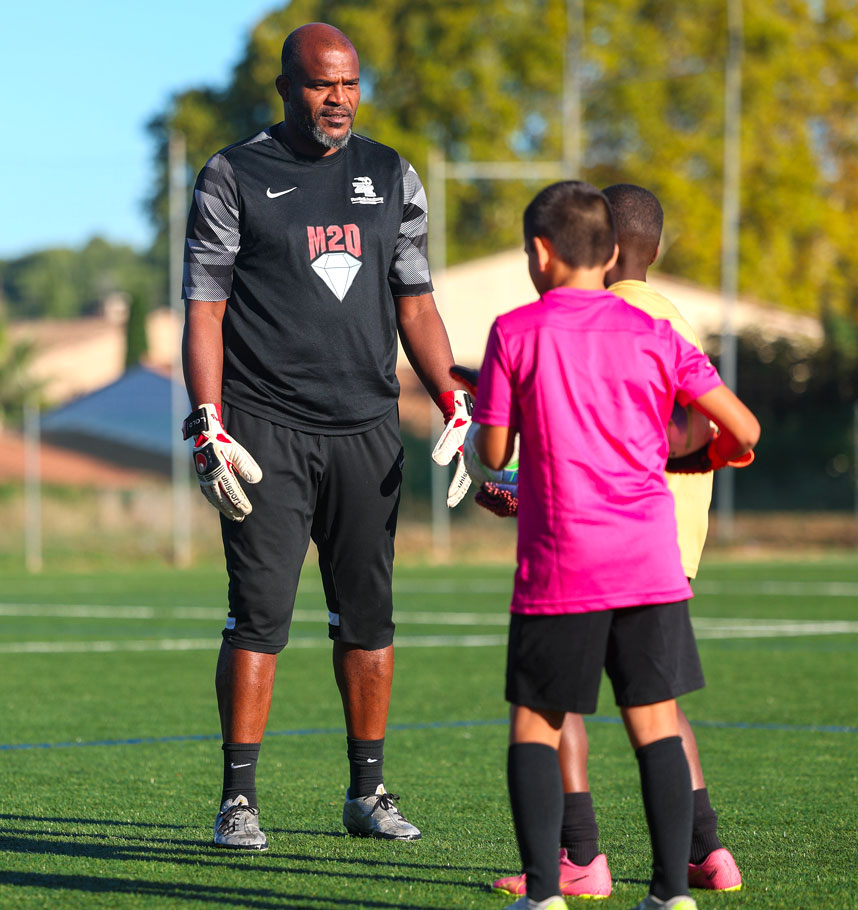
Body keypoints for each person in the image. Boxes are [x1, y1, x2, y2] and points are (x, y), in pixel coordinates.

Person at [181, 22, 470, 850]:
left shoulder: (392, 174)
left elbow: (414, 303)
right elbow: (204, 308)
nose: (338, 100)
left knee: (369, 619)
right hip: (265, 429)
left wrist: (452, 397)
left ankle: (368, 793)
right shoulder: (233, 174)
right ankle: (239, 801)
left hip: (369, 430)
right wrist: (208, 419)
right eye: (320, 84)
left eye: (348, 84)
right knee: (259, 615)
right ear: (286, 87)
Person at [470, 180, 759, 910]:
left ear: (541, 252)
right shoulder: (657, 333)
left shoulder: (516, 331)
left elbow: (497, 447)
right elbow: (742, 429)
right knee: (655, 722)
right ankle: (669, 895)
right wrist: (679, 446)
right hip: (649, 559)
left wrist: (488, 434)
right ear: (613, 253)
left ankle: (545, 894)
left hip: (562, 561)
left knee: (536, 722)